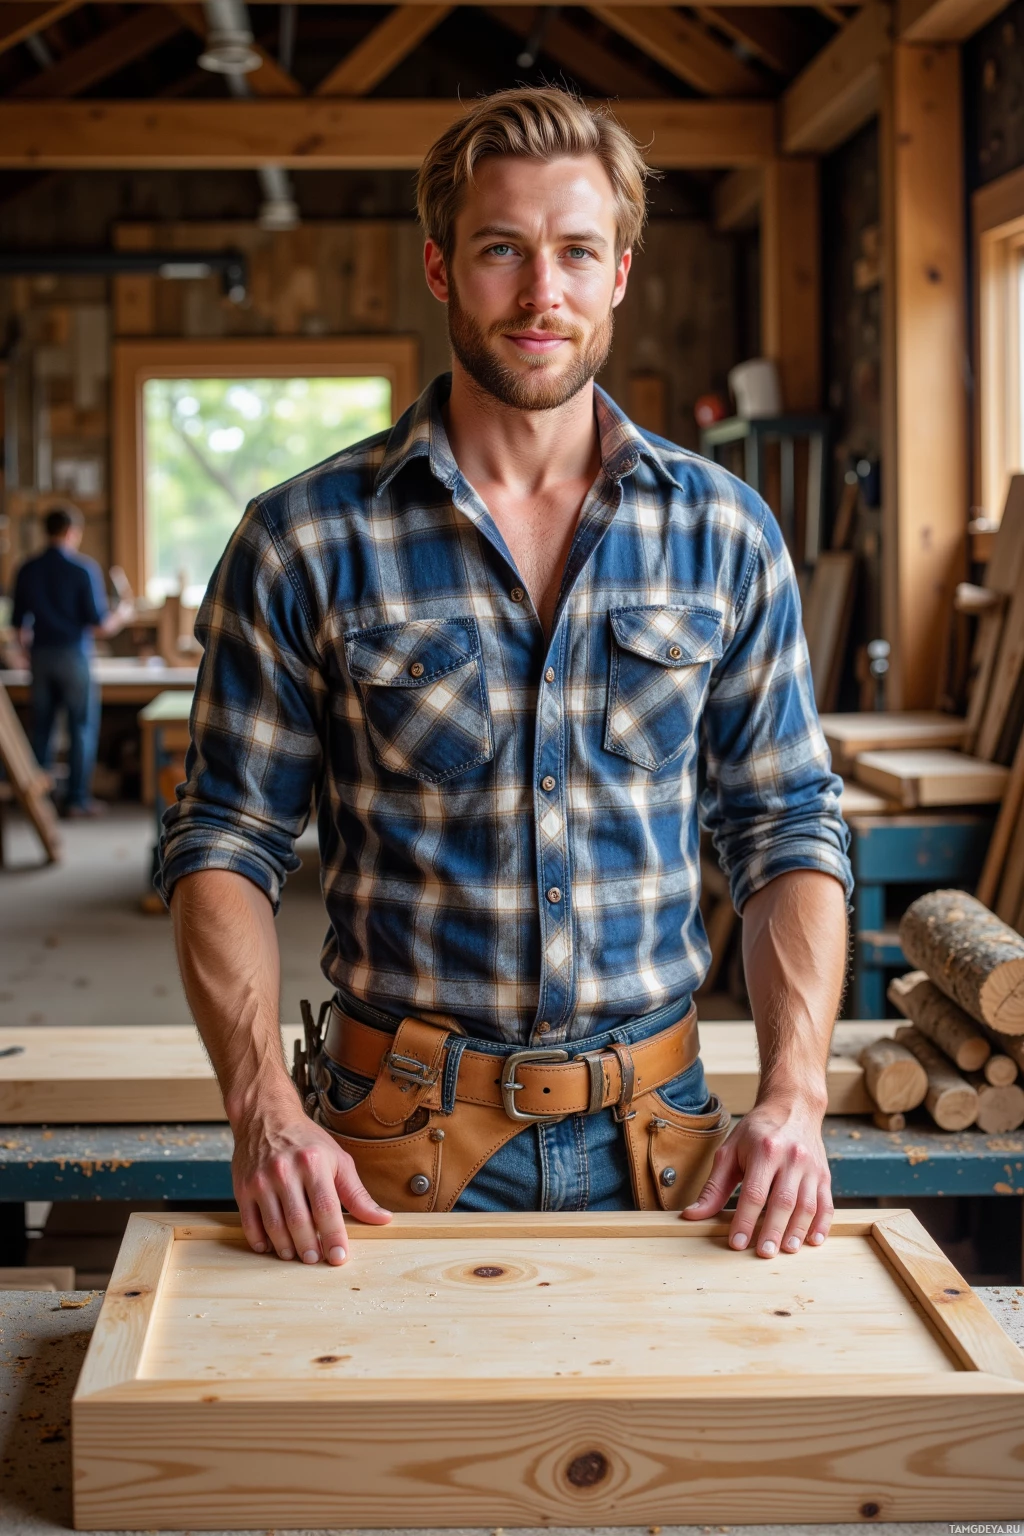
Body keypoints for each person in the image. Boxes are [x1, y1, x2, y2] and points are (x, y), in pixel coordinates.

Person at [161, 87, 852, 1268]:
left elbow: (786, 824)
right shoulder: (304, 540)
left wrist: (795, 1094)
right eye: (501, 251)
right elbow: (224, 841)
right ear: (439, 267)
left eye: (578, 252)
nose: (543, 294)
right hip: (390, 1146)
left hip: (670, 1143)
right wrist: (262, 1108)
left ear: (620, 273)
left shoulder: (725, 534)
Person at [11, 503, 132, 817]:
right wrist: (122, 614)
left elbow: (18, 626)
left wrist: (24, 654)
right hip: (73, 654)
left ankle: (38, 802)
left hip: (40, 656)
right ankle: (76, 800)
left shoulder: (27, 568)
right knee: (80, 726)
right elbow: (100, 624)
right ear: (72, 532)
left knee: (42, 729)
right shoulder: (83, 569)